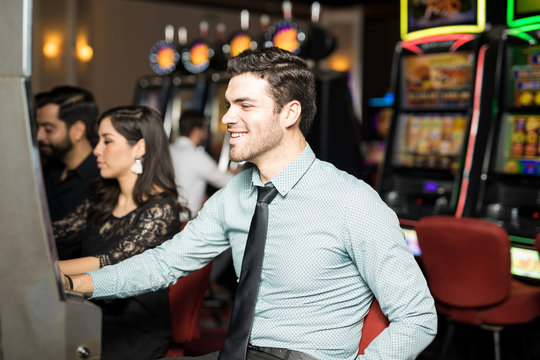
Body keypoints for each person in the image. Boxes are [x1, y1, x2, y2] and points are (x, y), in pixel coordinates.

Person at [65, 47, 437, 360]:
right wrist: (75, 283)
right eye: (228, 105)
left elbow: (418, 317)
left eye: (244, 105)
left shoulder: (352, 201)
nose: (227, 118)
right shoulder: (236, 193)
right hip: (237, 351)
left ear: (289, 113)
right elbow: (165, 263)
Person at [55, 105, 187, 360]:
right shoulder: (101, 198)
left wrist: (43, 270)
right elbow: (55, 231)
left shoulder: (161, 209)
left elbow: (109, 262)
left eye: (107, 141)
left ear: (140, 147)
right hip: (86, 312)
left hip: (132, 328)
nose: (96, 150)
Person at [36, 86, 100, 259]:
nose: (39, 136)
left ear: (77, 130)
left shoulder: (101, 176)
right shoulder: (48, 168)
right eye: (39, 127)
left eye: (49, 129)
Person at [169, 109, 233, 217]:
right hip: (183, 221)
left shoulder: (169, 149)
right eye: (205, 129)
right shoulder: (196, 156)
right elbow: (226, 181)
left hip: (165, 216)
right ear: (196, 131)